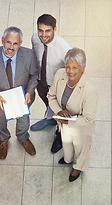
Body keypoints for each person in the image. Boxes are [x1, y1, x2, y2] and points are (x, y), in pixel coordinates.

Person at [0, 26, 38, 160]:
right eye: (8, 42)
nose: (11, 47)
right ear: (2, 40)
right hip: (0, 99)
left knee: (24, 122)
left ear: (20, 43)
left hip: (23, 98)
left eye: (15, 43)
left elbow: (34, 76)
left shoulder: (29, 55)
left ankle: (23, 137)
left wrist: (30, 91)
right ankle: (3, 140)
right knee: (0, 122)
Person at [47, 48, 98, 182]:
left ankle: (77, 168)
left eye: (75, 67)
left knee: (81, 150)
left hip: (82, 126)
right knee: (67, 144)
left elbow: (88, 118)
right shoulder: (60, 74)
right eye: (68, 66)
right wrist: (59, 111)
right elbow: (51, 95)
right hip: (64, 122)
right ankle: (68, 159)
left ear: (83, 68)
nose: (70, 71)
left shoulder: (90, 90)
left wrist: (67, 121)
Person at [31, 14, 73, 154]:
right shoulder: (35, 39)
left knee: (60, 111)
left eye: (47, 31)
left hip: (56, 88)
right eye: (40, 30)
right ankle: (50, 119)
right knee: (48, 105)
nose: (43, 35)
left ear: (55, 29)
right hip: (41, 83)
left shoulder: (65, 48)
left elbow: (73, 72)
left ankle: (60, 135)